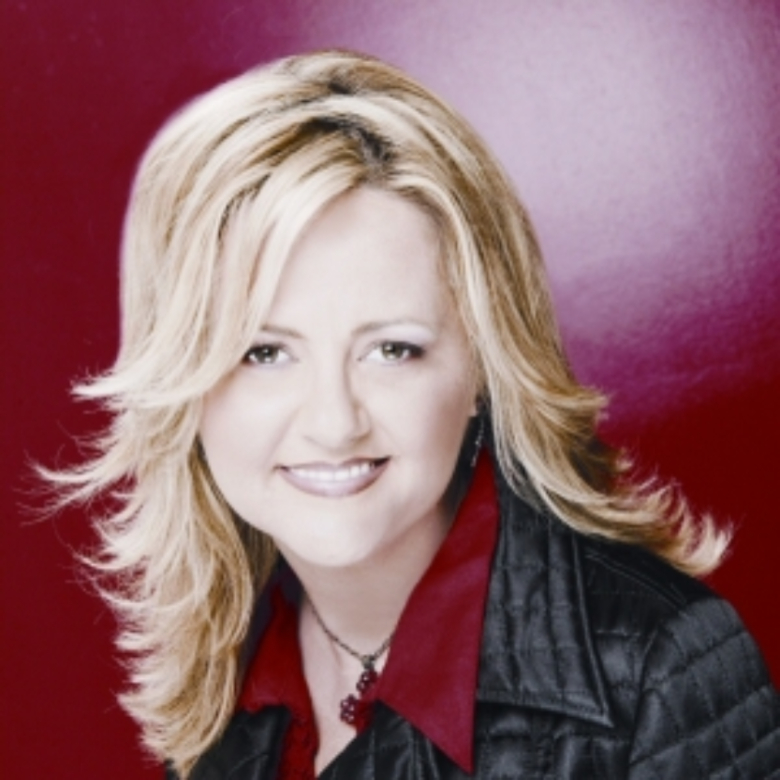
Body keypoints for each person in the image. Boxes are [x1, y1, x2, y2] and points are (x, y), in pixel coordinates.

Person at [50, 50, 779, 778]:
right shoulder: (228, 660)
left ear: (484, 368)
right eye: (263, 352)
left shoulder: (666, 667)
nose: (334, 423)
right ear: (183, 381)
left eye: (392, 350)